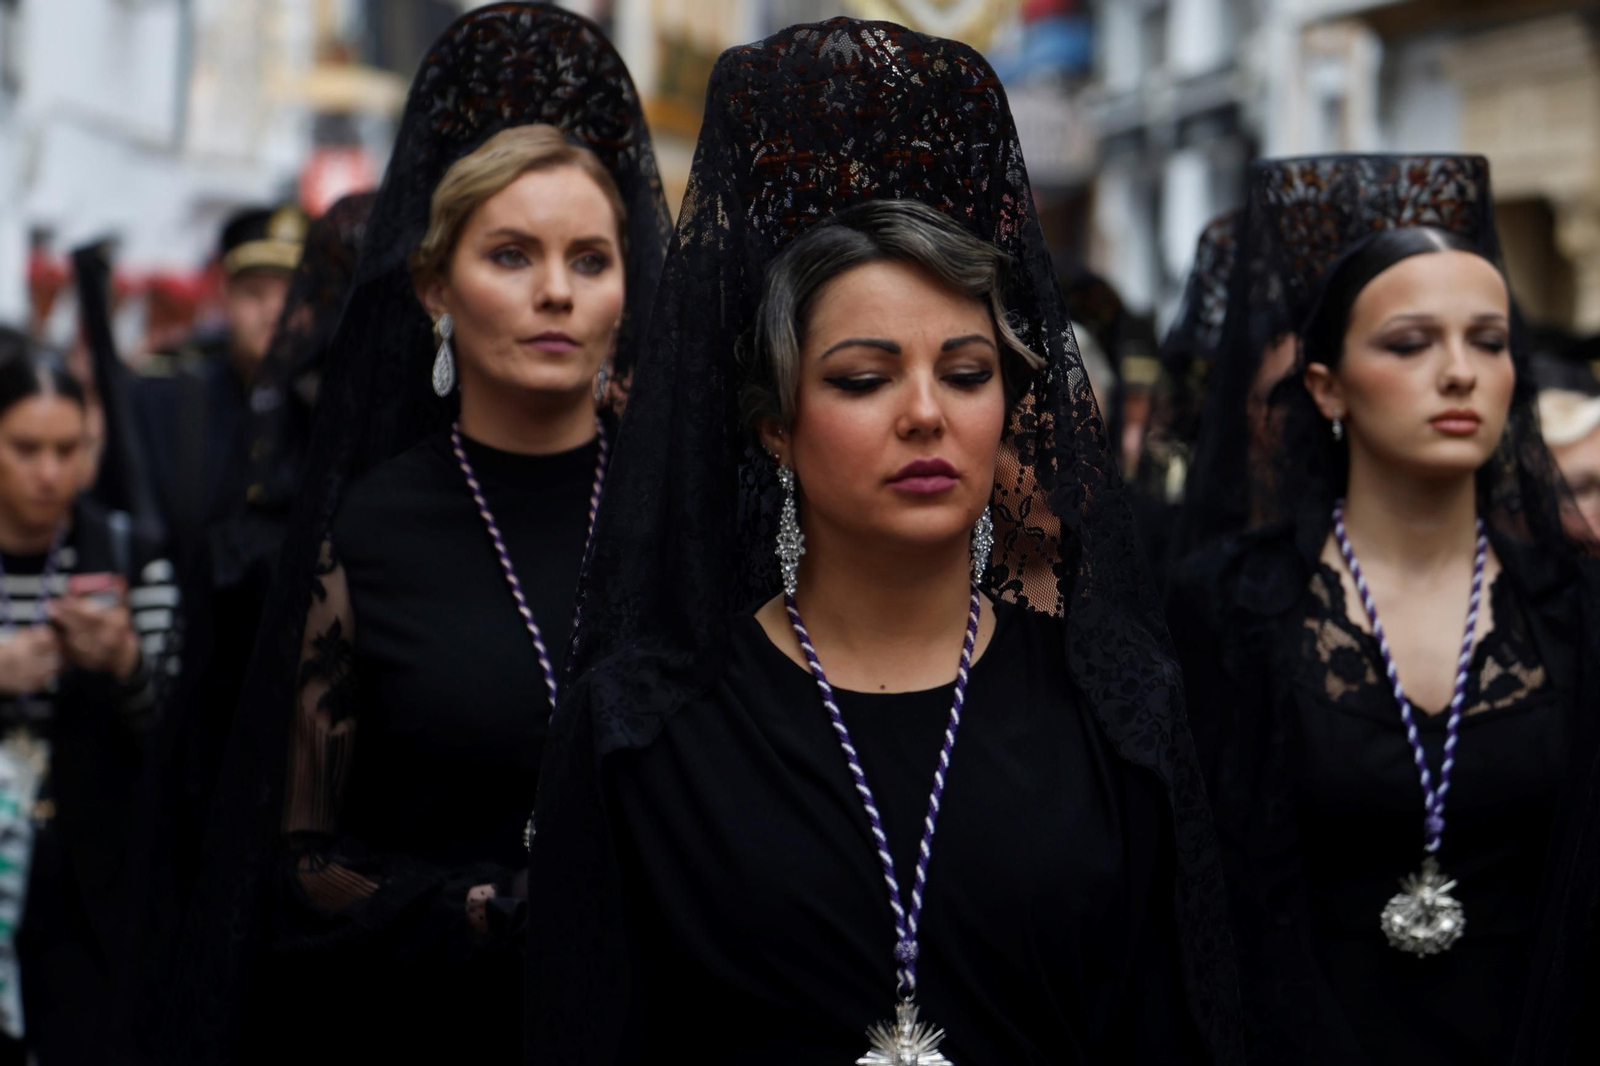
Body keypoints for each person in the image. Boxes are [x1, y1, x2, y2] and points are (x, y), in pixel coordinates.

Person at [526, 19, 1242, 1065]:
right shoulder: (646, 726)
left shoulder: (1113, 705)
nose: (925, 414)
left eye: (965, 372)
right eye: (862, 378)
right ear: (774, 423)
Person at [135, 5, 671, 1063]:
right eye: (512, 255)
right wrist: (463, 906)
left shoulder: (677, 524)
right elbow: (301, 855)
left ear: (624, 286)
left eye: (589, 258)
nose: (556, 291)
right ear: (436, 287)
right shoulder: (367, 534)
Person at [1167, 154, 1600, 1066]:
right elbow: (1197, 900)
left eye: (1488, 341)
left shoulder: (1575, 610)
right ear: (1326, 386)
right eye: (1410, 343)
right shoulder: (1226, 605)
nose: (1459, 373)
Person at [0, 329, 178, 1066]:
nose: (50, 472)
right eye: (26, 448)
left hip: (92, 877)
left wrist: (126, 662)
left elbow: (178, 736)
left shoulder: (132, 554)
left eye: (68, 450)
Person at [129, 203, 307, 564]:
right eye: (255, 293)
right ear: (225, 297)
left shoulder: (326, 407)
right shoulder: (167, 402)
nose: (274, 311)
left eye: (292, 296)